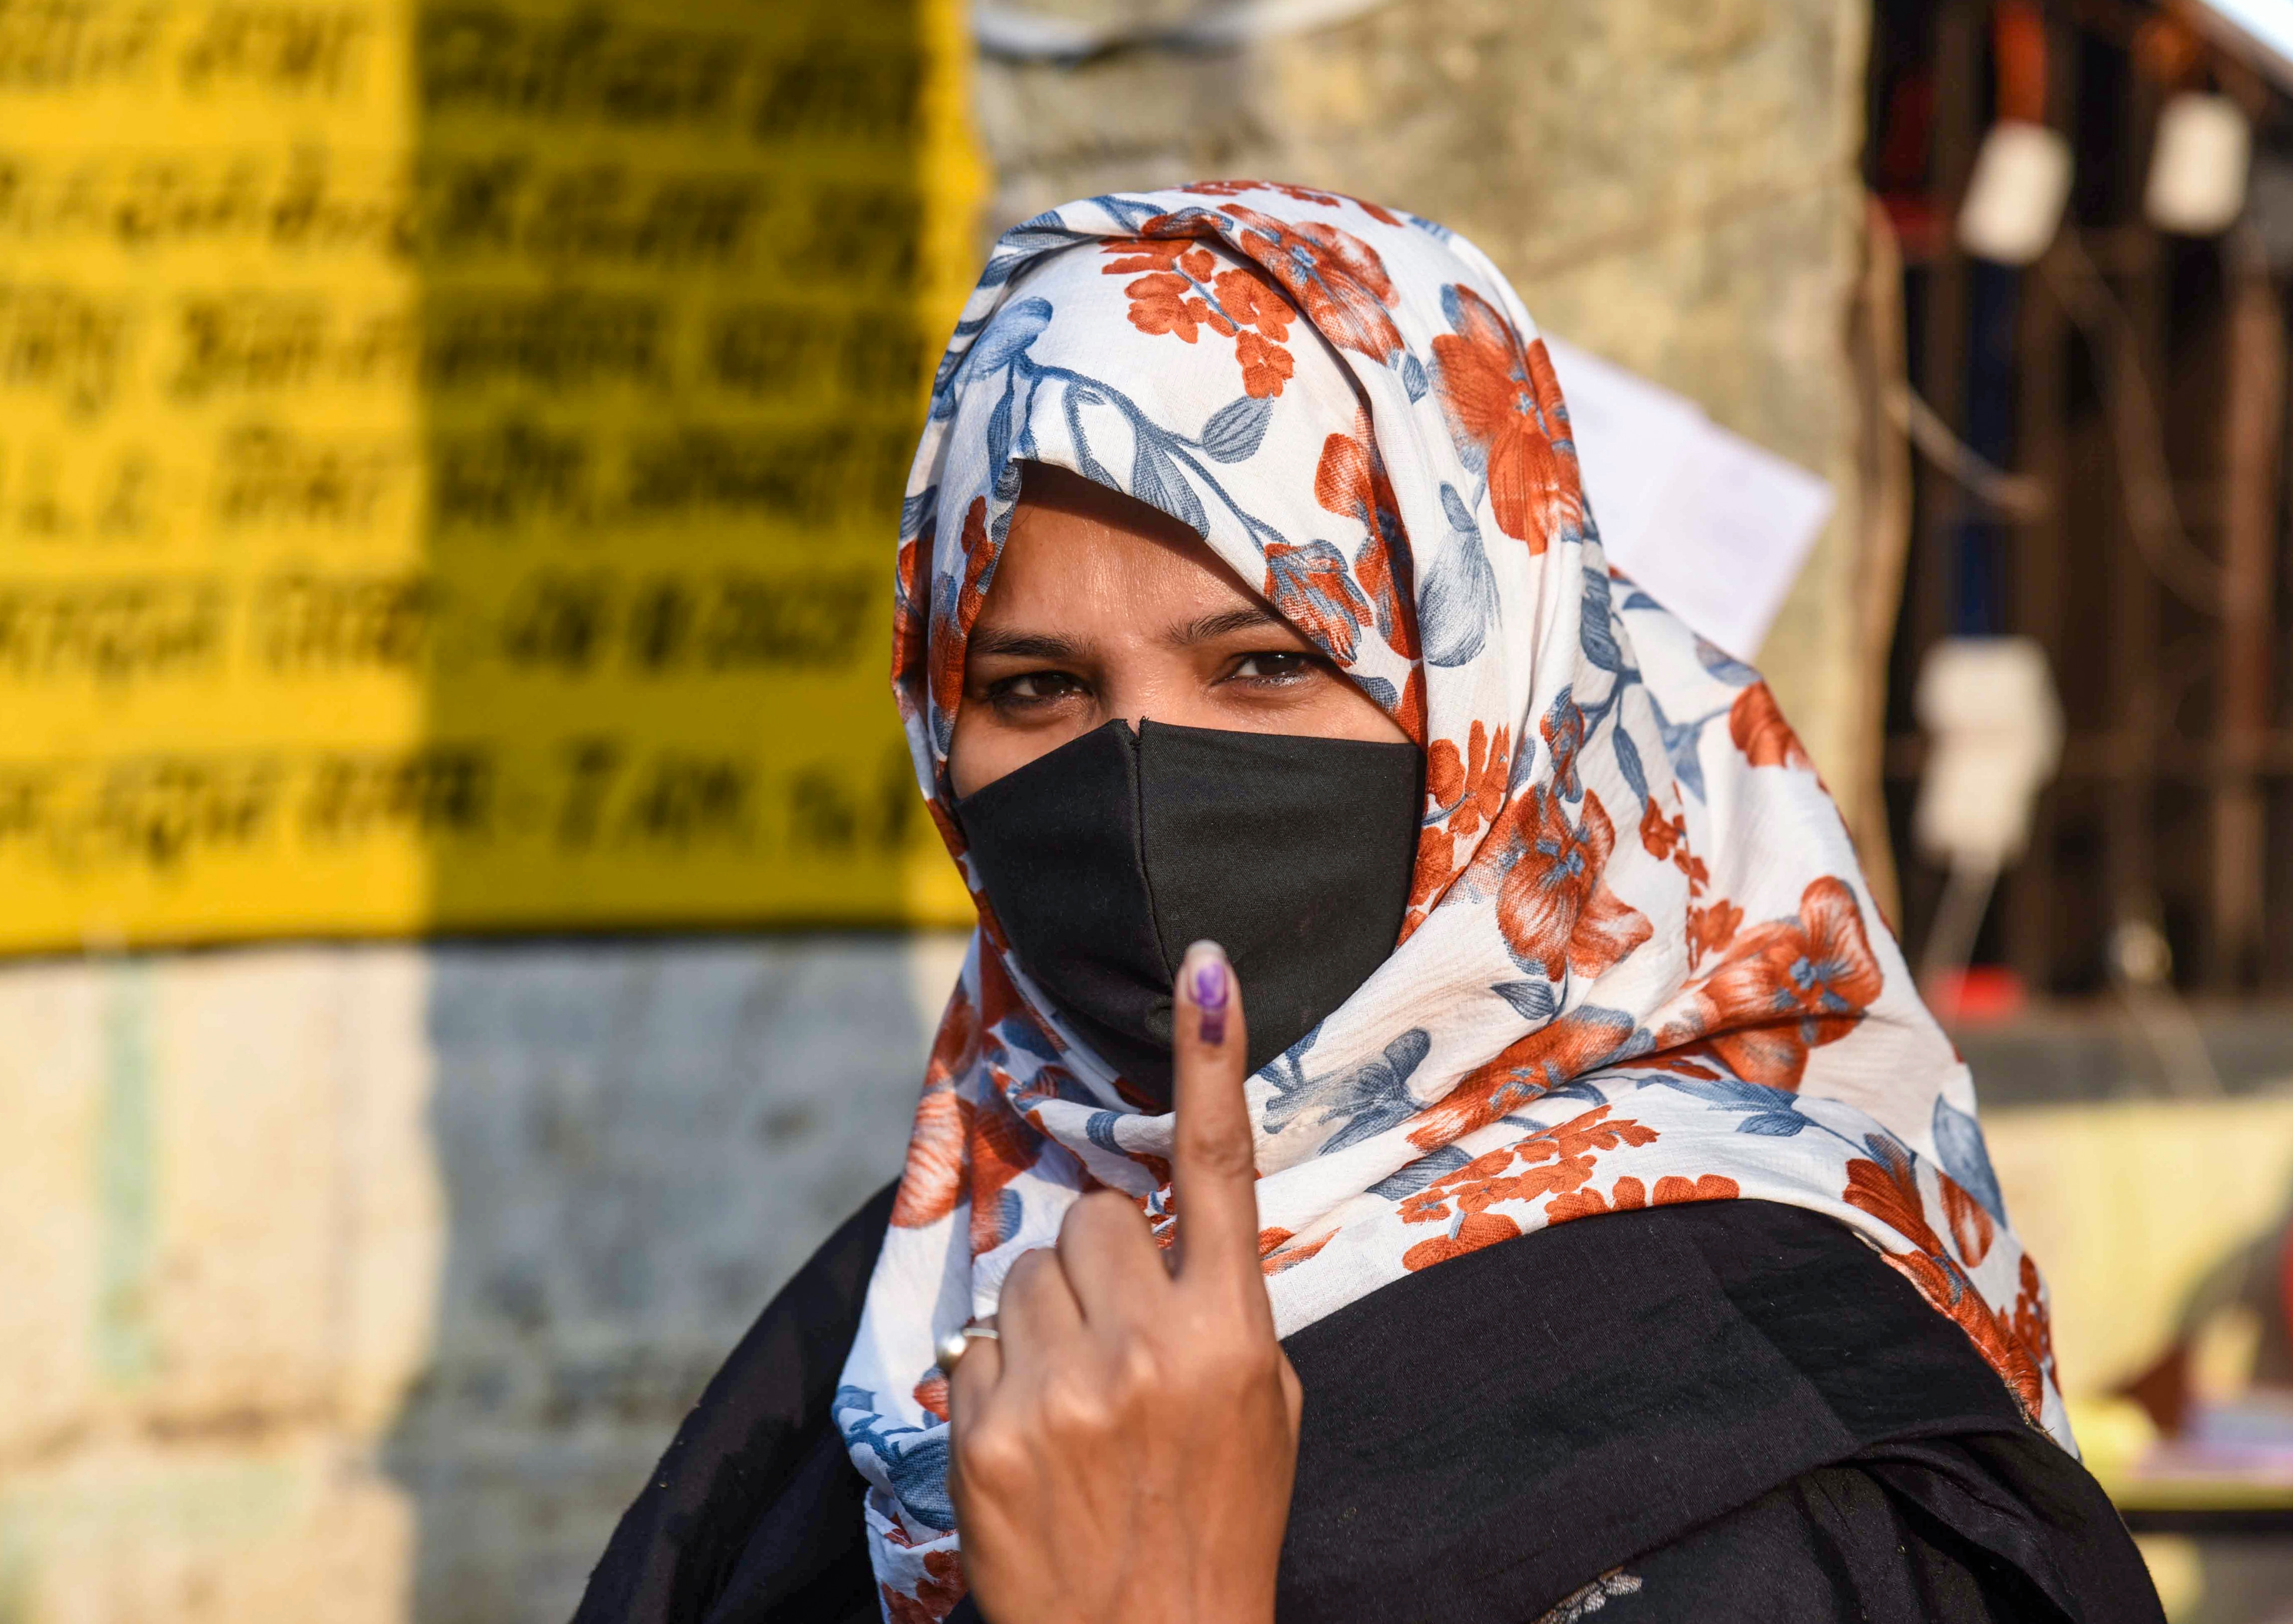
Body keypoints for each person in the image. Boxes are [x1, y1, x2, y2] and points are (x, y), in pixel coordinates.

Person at [573, 184, 2160, 1624]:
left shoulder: (1770, 1426)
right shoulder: (931, 1273)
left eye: (1267, 663)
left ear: (1502, 710)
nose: (1134, 786)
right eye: (1035, 685)